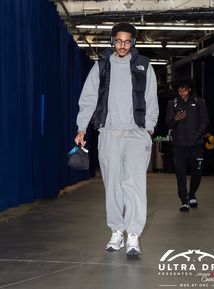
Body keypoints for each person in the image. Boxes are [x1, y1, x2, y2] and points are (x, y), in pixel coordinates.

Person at [74, 23, 159, 256]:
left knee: (135, 186)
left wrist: (149, 127)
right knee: (112, 186)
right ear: (113, 41)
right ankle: (116, 231)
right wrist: (81, 128)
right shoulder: (101, 65)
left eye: (127, 41)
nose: (123, 45)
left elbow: (151, 97)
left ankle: (133, 235)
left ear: (133, 42)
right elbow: (88, 99)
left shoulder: (144, 65)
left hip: (135, 135)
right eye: (119, 41)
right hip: (108, 134)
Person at [165, 78, 208, 212]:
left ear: (189, 89)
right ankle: (184, 200)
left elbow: (205, 121)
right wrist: (175, 119)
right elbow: (168, 123)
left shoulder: (199, 102)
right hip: (179, 146)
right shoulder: (172, 103)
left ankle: (192, 194)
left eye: (184, 90)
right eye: (180, 90)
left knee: (197, 172)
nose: (182, 93)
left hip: (196, 145)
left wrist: (197, 135)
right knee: (180, 173)